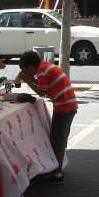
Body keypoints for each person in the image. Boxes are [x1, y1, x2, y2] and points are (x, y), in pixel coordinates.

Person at [17, 50, 77, 182]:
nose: (26, 73)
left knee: (58, 140)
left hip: (64, 107)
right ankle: (55, 169)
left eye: (25, 70)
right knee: (56, 138)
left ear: (31, 66)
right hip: (65, 106)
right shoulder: (45, 67)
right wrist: (30, 79)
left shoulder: (43, 71)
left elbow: (41, 91)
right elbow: (42, 85)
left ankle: (58, 173)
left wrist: (27, 80)